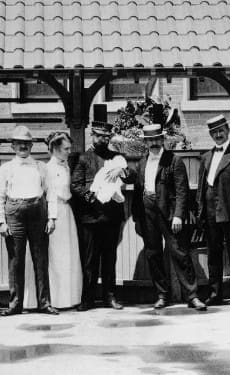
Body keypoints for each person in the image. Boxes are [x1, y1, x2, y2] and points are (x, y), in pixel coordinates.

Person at [131, 124, 207, 312]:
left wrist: (179, 216)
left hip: (170, 214)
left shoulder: (174, 161)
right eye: (150, 140)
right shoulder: (142, 162)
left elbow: (182, 191)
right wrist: (137, 217)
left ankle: (192, 296)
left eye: (157, 139)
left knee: (179, 253)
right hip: (147, 213)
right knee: (153, 254)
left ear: (162, 139)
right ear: (145, 142)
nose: (154, 143)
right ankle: (162, 295)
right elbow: (138, 188)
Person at [0, 125, 58, 316]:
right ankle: (15, 304)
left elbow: (51, 193)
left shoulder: (41, 167)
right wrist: (1, 221)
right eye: (19, 143)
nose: (23, 146)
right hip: (14, 214)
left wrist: (52, 217)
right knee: (16, 260)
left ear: (31, 146)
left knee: (40, 259)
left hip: (38, 212)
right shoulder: (5, 169)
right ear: (12, 146)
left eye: (26, 143)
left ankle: (44, 303)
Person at [71, 111, 130, 311]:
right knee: (89, 260)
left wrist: (121, 170)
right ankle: (87, 298)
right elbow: (76, 185)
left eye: (106, 137)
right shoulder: (82, 158)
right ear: (92, 135)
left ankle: (109, 296)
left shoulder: (116, 157)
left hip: (111, 216)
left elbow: (130, 177)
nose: (103, 140)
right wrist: (92, 197)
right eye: (99, 136)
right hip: (90, 217)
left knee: (109, 258)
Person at [196, 114, 230, 309]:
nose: (217, 135)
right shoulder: (205, 157)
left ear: (228, 130)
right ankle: (215, 293)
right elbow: (202, 187)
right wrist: (200, 212)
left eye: (220, 131)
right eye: (214, 132)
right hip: (210, 214)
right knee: (213, 255)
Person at [40, 131, 84, 310]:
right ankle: (57, 299)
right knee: (57, 256)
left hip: (67, 212)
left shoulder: (66, 166)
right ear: (55, 149)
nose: (68, 151)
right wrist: (51, 217)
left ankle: (70, 297)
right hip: (55, 214)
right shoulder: (47, 168)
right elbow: (48, 195)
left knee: (69, 255)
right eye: (65, 148)